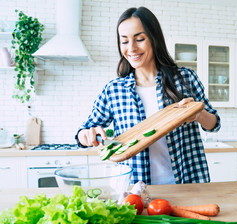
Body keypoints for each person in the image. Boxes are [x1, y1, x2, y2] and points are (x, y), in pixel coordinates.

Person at [75, 7, 220, 185]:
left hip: (187, 182)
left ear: (154, 38)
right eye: (125, 42)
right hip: (136, 189)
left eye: (140, 39)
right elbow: (83, 132)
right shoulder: (114, 90)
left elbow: (214, 124)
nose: (132, 48)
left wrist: (198, 114)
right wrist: (88, 134)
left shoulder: (185, 78)